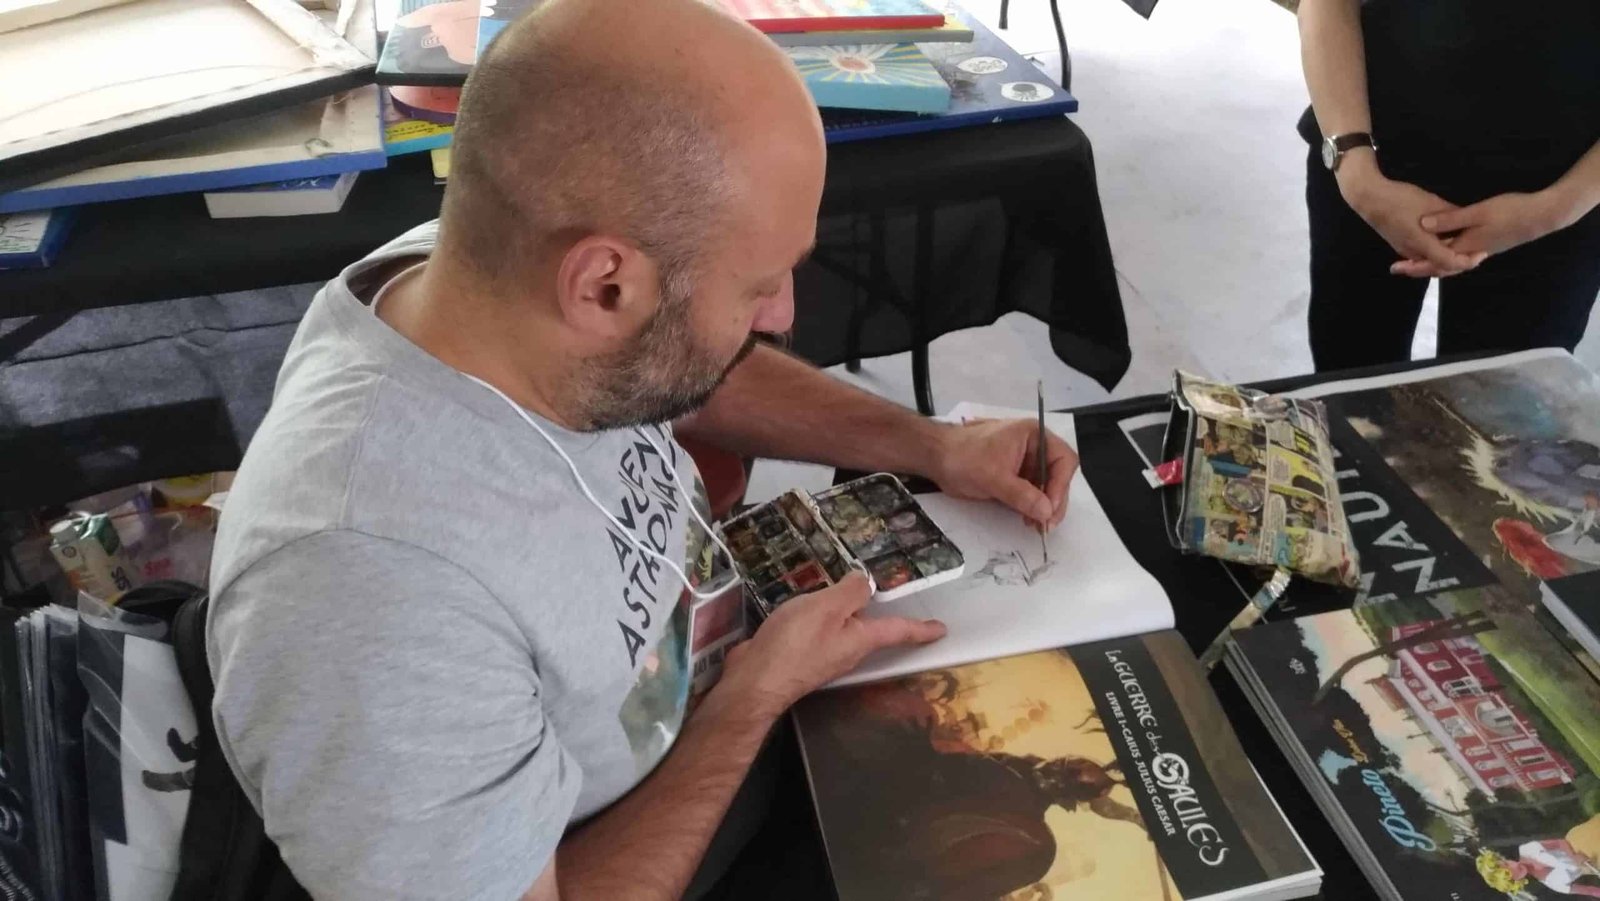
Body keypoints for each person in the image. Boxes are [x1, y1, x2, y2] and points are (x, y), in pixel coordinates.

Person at [204, 0, 1079, 898]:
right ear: (604, 284)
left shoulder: (484, 275)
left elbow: (685, 364)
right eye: (758, 286)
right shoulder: (373, 599)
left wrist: (931, 444)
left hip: (744, 673)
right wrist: (750, 701)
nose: (783, 314)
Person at [1298, 0, 1600, 371]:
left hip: (1559, 203)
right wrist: (1359, 177)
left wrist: (1554, 209)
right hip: (1370, 162)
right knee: (1351, 379)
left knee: (1501, 400)